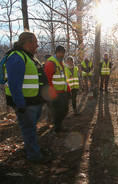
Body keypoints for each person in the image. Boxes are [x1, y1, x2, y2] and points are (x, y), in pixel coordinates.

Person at [4, 32, 49, 163]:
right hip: (26, 104)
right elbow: (13, 83)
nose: (37, 45)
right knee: (29, 130)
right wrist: (20, 104)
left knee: (32, 129)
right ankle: (34, 156)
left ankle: (33, 150)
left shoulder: (30, 57)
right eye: (35, 42)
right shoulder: (16, 57)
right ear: (28, 43)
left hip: (34, 101)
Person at [44, 45, 69, 133]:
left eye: (63, 53)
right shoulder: (51, 63)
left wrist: (68, 89)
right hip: (56, 93)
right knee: (58, 112)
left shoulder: (62, 63)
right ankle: (57, 129)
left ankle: (59, 126)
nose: (62, 55)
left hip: (63, 91)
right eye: (61, 53)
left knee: (65, 110)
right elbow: (48, 80)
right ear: (57, 52)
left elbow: (64, 78)